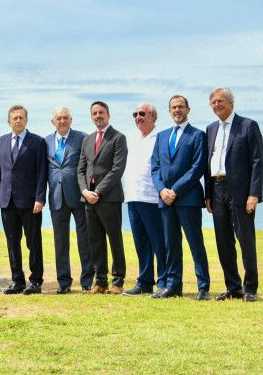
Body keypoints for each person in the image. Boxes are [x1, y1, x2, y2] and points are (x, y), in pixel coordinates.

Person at [205, 88, 263, 302]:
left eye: (220, 101)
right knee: (223, 241)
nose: (216, 105)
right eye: (213, 102)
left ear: (231, 103)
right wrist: (208, 194)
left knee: (245, 239)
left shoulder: (248, 125)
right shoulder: (210, 129)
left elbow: (258, 161)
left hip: (241, 192)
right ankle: (233, 287)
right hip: (217, 189)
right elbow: (207, 164)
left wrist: (254, 193)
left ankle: (250, 288)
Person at [151, 95, 210, 300]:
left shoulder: (198, 136)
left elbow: (197, 168)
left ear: (188, 109)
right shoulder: (161, 136)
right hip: (165, 199)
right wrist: (161, 190)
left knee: (195, 243)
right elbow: (155, 167)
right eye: (173, 107)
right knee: (171, 244)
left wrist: (174, 190)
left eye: (181, 107)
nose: (177, 110)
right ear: (169, 111)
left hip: (188, 198)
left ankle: (203, 286)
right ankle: (173, 285)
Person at [0, 105, 48, 295]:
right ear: (9, 121)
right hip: (7, 201)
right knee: (12, 243)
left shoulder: (37, 142)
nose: (18, 121)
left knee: (33, 243)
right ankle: (17, 281)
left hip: (30, 203)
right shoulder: (0, 142)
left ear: (26, 120)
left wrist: (40, 198)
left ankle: (36, 281)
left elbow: (42, 174)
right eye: (14, 118)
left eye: (21, 117)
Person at [77, 101, 128, 294]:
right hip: (88, 198)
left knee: (114, 239)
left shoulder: (118, 138)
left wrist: (98, 191)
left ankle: (118, 281)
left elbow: (117, 169)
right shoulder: (87, 140)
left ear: (108, 114)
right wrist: (84, 192)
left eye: (101, 113)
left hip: (108, 197)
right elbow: (81, 169)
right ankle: (100, 281)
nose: (98, 116)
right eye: (95, 113)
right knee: (95, 241)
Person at [45, 107, 93, 294]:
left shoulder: (82, 138)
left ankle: (87, 280)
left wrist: (89, 190)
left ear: (71, 120)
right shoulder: (46, 141)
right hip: (57, 197)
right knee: (60, 242)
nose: (62, 121)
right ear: (53, 122)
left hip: (79, 196)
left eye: (66, 118)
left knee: (85, 240)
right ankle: (64, 282)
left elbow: (90, 165)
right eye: (59, 118)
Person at [122, 103, 167, 296]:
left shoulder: (160, 138)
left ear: (153, 116)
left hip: (151, 198)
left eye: (142, 113)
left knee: (158, 242)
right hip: (132, 197)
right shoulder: (131, 139)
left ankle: (164, 281)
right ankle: (145, 282)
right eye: (135, 114)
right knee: (141, 242)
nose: (138, 117)